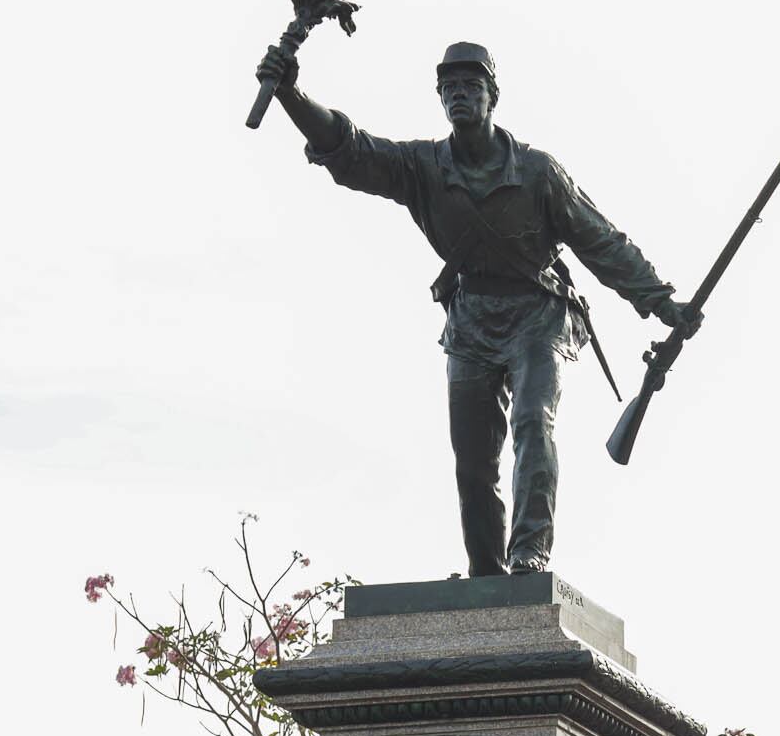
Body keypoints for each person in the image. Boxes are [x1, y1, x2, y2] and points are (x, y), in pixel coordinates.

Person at [256, 37, 699, 576]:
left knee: (534, 421)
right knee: (472, 459)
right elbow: (351, 150)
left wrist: (659, 300)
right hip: (470, 321)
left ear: (493, 96)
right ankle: (486, 575)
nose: (459, 95)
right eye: (449, 88)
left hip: (538, 315)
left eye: (471, 85)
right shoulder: (421, 165)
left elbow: (600, 240)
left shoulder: (538, 171)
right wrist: (291, 94)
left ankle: (529, 551)